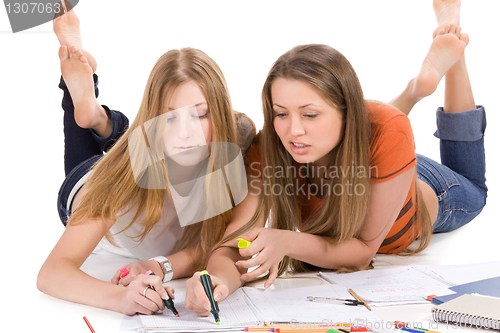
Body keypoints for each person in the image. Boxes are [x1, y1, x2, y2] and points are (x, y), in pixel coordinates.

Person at [236, 0, 487, 286]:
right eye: (281, 113)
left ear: (346, 113)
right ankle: (414, 90)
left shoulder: (389, 133)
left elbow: (361, 253)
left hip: (431, 188)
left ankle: (454, 59)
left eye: (310, 114)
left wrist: (286, 241)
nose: (293, 130)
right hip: (378, 156)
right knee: (385, 130)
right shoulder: (269, 145)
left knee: (475, 190)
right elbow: (236, 236)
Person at [37, 5, 262, 315]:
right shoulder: (119, 182)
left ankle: (100, 117)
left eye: (199, 114)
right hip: (87, 186)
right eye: (170, 118)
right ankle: (82, 104)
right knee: (96, 165)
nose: (185, 132)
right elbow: (52, 273)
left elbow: (220, 242)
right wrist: (120, 299)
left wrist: (161, 267)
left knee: (134, 143)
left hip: (142, 152)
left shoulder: (237, 145)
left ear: (219, 113)